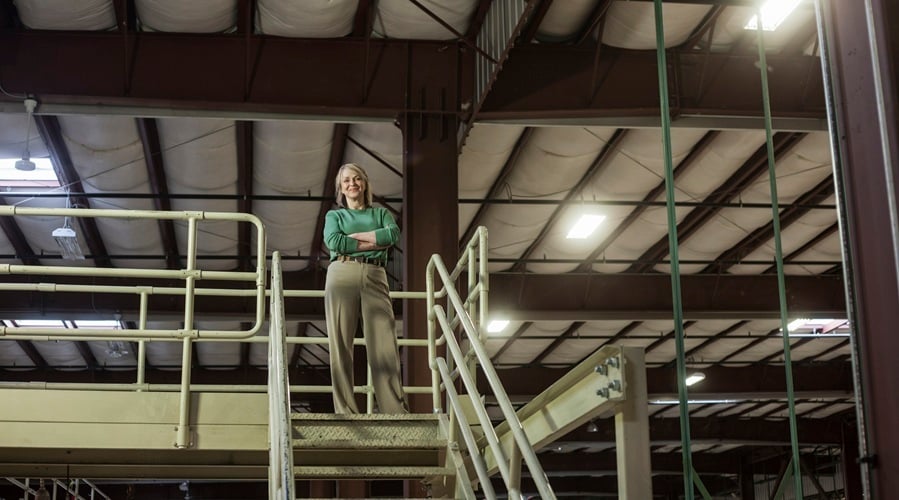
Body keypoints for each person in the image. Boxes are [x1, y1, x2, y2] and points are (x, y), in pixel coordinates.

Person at [323, 162, 408, 414]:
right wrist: (374, 239)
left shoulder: (380, 214)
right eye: (347, 180)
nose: (352, 184)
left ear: (365, 183)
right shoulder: (334, 216)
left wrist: (352, 241)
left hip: (375, 274)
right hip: (341, 273)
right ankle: (345, 410)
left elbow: (392, 236)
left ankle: (394, 409)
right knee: (340, 342)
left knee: (384, 342)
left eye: (357, 178)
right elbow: (334, 242)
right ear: (341, 187)